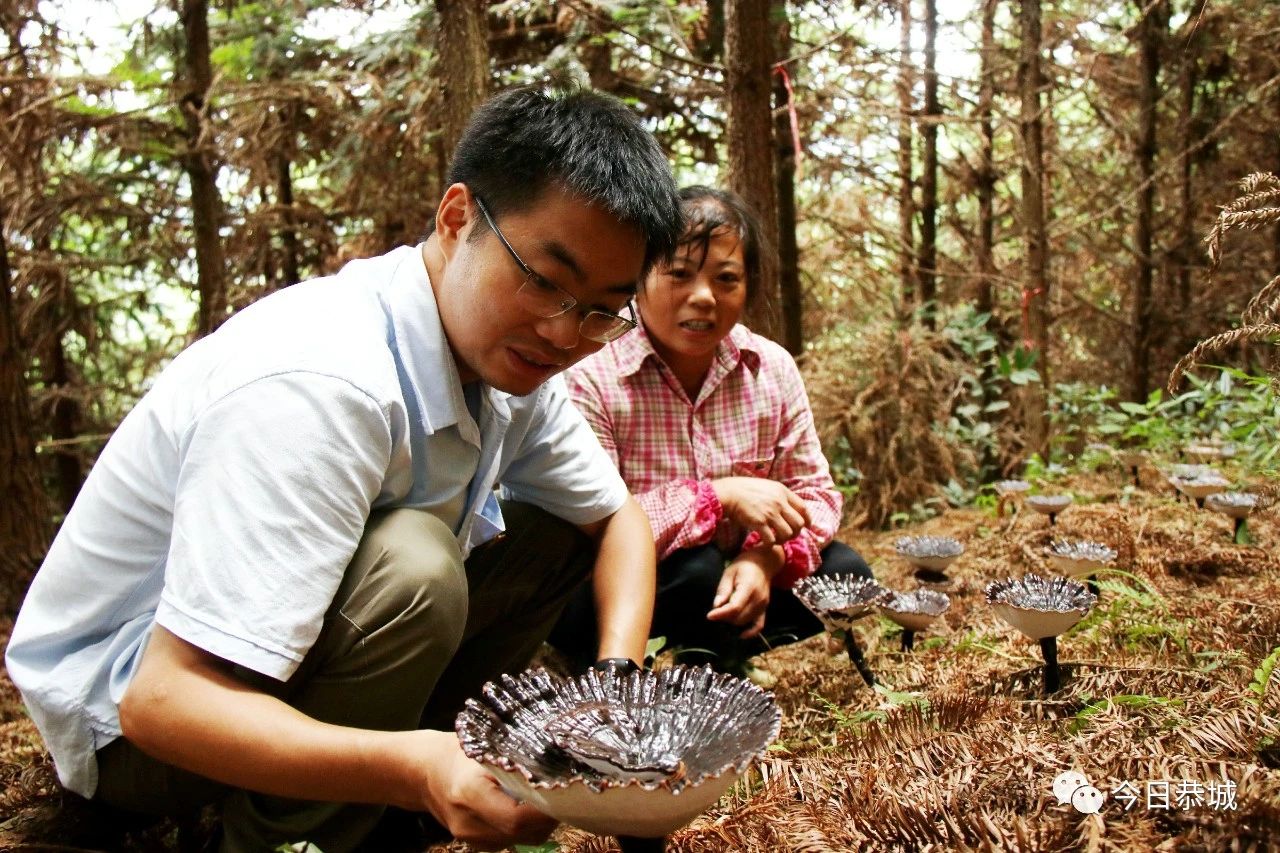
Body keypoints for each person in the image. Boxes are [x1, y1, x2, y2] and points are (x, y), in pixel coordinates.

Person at [5, 87, 683, 853]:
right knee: (416, 568)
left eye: (602, 309)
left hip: (281, 667)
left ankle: (393, 784)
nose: (565, 332)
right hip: (130, 727)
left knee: (553, 529)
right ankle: (285, 836)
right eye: (544, 279)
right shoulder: (324, 383)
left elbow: (617, 518)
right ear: (457, 218)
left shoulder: (509, 363)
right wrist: (413, 766)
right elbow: (162, 701)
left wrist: (615, 685)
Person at [549, 186, 873, 678]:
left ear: (748, 287)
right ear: (638, 278)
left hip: (729, 573)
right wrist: (717, 497)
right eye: (679, 273)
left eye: (726, 279)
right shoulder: (594, 373)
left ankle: (721, 654)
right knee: (695, 572)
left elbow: (816, 495)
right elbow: (592, 529)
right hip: (614, 588)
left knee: (847, 572)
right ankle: (620, 661)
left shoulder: (770, 368)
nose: (703, 297)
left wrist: (766, 558)